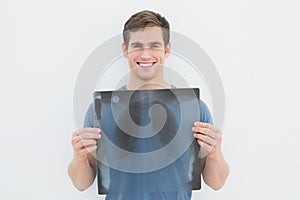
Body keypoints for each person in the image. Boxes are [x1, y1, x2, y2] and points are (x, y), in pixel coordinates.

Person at [68, 10, 229, 200]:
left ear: (166, 50)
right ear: (125, 50)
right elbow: (81, 183)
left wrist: (214, 154)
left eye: (154, 45)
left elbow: (217, 182)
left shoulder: (194, 108)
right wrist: (79, 157)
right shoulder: (102, 110)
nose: (145, 54)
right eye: (137, 45)